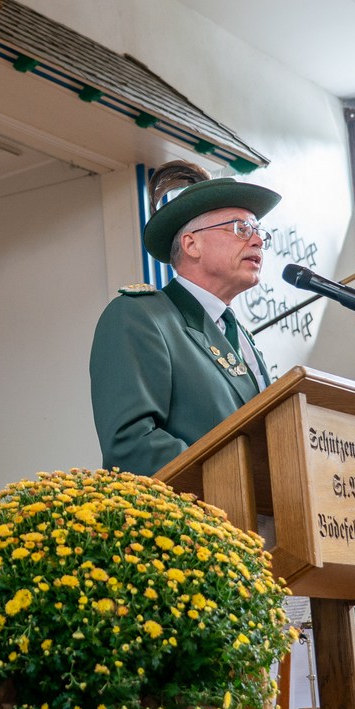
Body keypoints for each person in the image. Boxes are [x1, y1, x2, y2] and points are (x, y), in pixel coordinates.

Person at [89, 162, 282, 477]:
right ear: (192, 244)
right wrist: (241, 479)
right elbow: (132, 445)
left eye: (259, 232)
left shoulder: (241, 336)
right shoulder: (140, 316)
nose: (257, 241)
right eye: (241, 229)